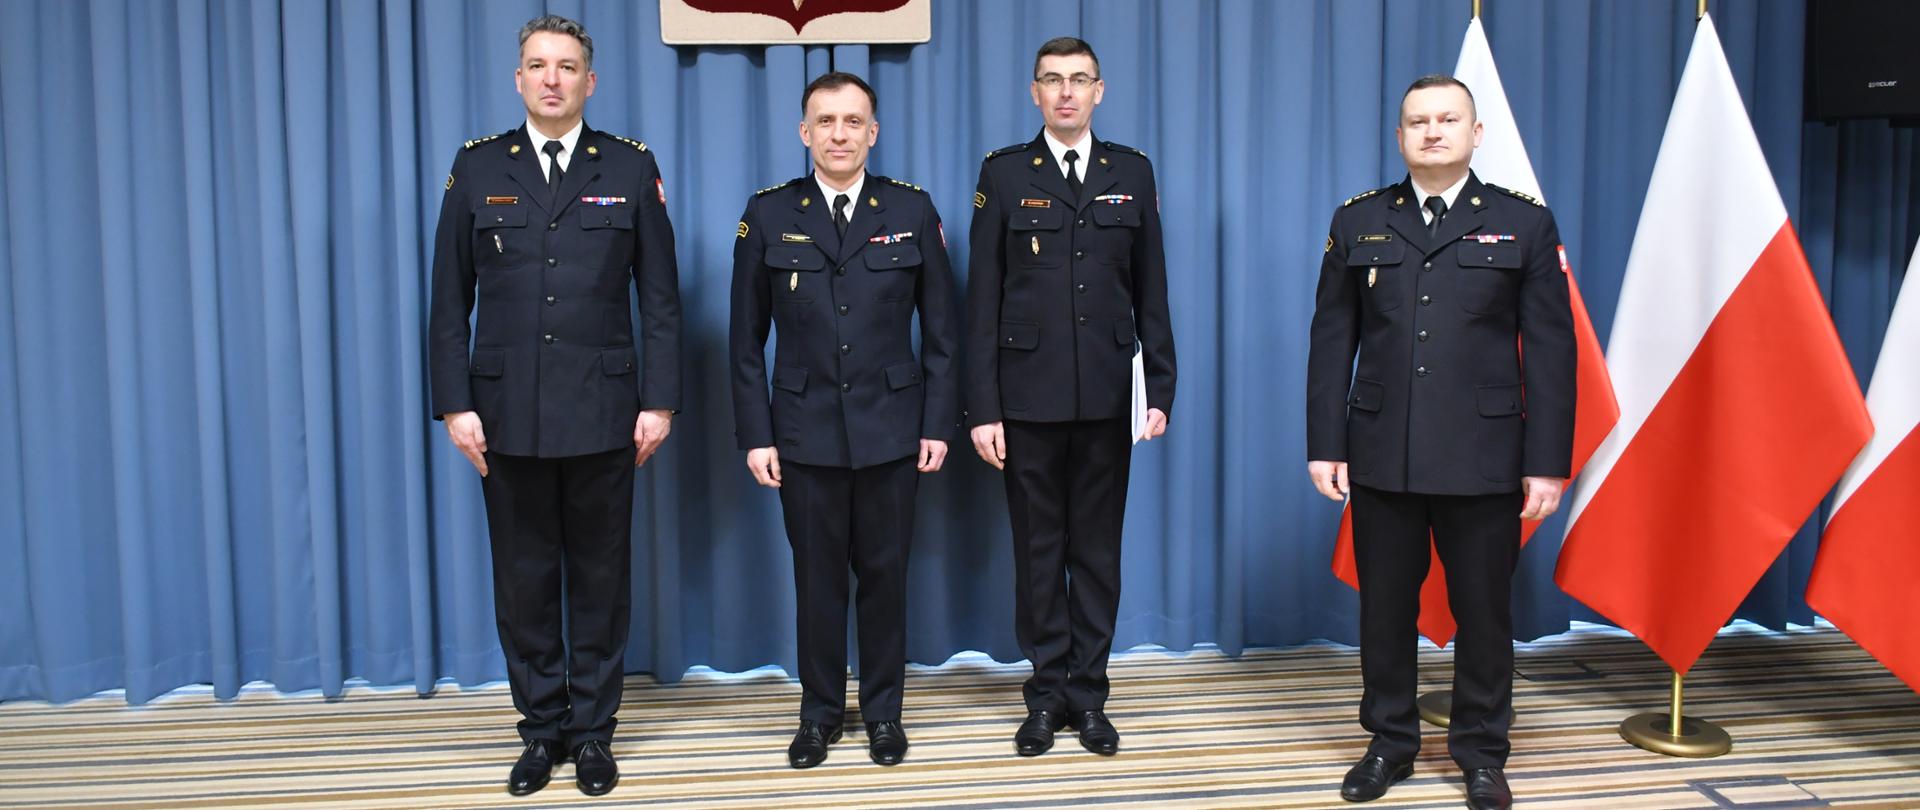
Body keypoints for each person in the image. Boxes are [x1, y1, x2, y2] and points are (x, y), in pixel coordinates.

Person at [426, 14, 682, 797]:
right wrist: (455, 405)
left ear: (589, 82)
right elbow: (448, 300)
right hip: (506, 414)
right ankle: (541, 730)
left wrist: (660, 402)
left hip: (606, 410)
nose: (551, 79)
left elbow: (661, 300)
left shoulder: (630, 166)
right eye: (538, 65)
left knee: (601, 580)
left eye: (566, 66)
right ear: (518, 79)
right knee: (525, 581)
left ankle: (594, 733)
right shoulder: (476, 167)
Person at [1305, 75, 1575, 810]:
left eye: (1448, 120)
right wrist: (1325, 444)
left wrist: (1547, 462)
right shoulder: (1359, 220)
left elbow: (1552, 350)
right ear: (1400, 137)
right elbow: (1332, 340)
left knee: (1484, 612)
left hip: (1485, 456)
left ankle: (1482, 753)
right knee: (1384, 611)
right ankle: (1389, 743)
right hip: (1382, 451)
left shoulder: (1524, 223)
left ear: (1475, 133)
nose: (1432, 132)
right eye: (1418, 122)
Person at [729, 71, 960, 770]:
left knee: (886, 579)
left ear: (873, 133)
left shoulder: (912, 209)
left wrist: (938, 424)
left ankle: (884, 713)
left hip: (893, 429)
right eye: (825, 121)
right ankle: (820, 714)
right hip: (804, 433)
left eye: (853, 121)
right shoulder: (769, 213)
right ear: (805, 132)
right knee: (818, 583)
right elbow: (745, 341)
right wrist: (757, 434)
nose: (839, 134)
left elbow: (944, 334)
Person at [966, 36, 1176, 758]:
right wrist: (982, 407)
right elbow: (982, 299)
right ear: (1035, 93)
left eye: (1079, 79)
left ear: (1098, 91)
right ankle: (1045, 695)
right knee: (1037, 553)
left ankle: (1089, 697)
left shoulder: (1131, 171)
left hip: (1109, 399)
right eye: (1052, 80)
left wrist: (1160, 387)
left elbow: (1152, 289)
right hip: (1025, 400)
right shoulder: (1003, 173)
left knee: (1096, 554)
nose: (1065, 92)